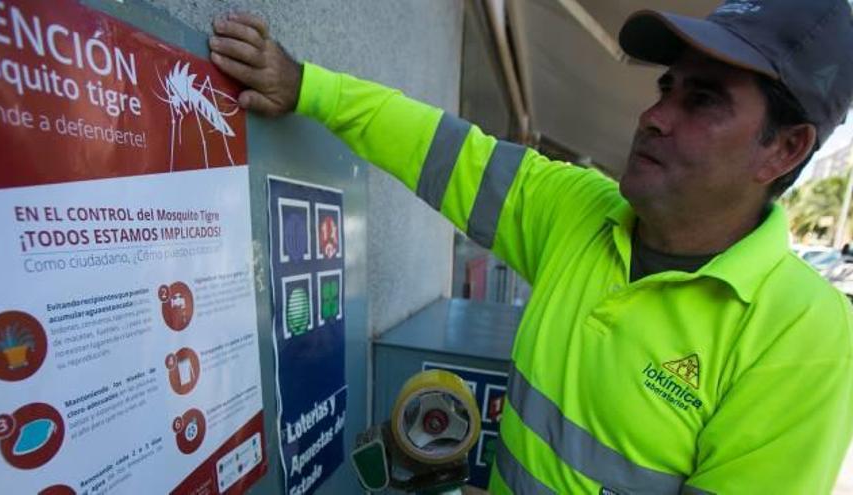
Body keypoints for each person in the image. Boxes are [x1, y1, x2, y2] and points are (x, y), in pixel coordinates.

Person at [209, 0, 853, 492]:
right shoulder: (579, 211)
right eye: (667, 87)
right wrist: (308, 87)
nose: (654, 115)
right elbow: (440, 148)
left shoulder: (803, 337)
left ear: (784, 148)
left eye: (704, 100)